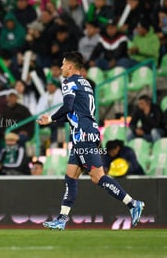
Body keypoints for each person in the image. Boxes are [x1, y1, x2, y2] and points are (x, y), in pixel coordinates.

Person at [37, 51, 145, 231]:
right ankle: (62, 219)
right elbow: (77, 112)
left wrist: (50, 119)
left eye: (63, 64)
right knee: (70, 176)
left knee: (98, 177)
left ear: (70, 66)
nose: (62, 68)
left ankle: (133, 204)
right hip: (87, 133)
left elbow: (68, 106)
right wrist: (55, 119)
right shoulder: (86, 84)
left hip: (83, 135)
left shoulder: (69, 82)